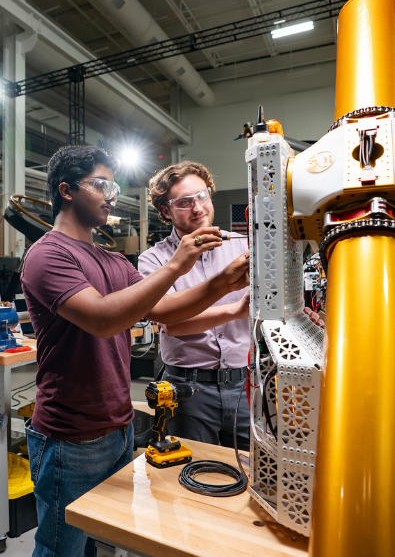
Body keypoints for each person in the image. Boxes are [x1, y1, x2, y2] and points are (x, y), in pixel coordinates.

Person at [21, 146, 250, 557]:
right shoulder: (47, 255)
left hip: (118, 425)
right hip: (70, 435)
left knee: (99, 540)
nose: (112, 195)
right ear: (67, 190)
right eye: (102, 184)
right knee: (61, 548)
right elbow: (105, 319)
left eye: (115, 186)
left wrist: (225, 284)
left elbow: (161, 310)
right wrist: (177, 266)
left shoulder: (112, 260)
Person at [137, 161, 252, 451]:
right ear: (166, 211)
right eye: (185, 202)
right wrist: (235, 310)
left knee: (255, 470)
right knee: (191, 472)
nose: (198, 207)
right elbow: (173, 324)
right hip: (190, 389)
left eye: (202, 196)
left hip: (245, 384)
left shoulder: (243, 247)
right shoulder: (154, 261)